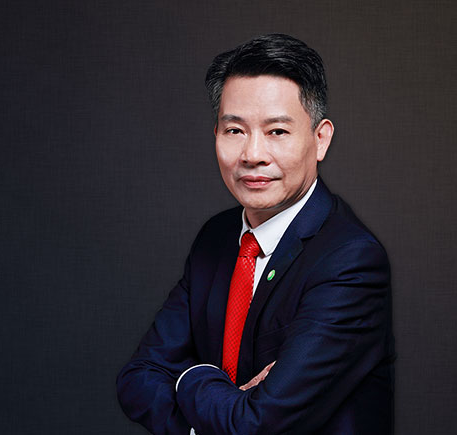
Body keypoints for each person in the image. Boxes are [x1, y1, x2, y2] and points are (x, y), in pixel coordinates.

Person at [117, 33, 394, 435]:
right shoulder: (216, 237)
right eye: (235, 130)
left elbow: (256, 426)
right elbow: (138, 377)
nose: (252, 155)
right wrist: (217, 409)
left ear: (320, 139)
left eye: (277, 131)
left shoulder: (350, 261)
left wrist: (187, 376)